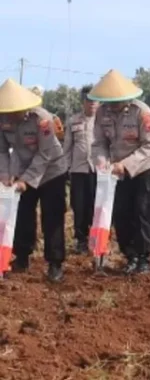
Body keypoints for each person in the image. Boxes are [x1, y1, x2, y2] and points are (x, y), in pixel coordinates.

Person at [90, 69, 150, 275]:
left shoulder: (142, 112)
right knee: (122, 213)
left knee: (143, 211)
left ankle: (144, 258)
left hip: (146, 168)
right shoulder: (101, 113)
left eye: (117, 102)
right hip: (117, 172)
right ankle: (130, 255)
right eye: (109, 102)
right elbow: (98, 142)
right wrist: (102, 161)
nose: (112, 106)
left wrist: (126, 164)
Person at [0, 79, 67, 282]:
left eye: (15, 111)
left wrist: (26, 180)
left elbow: (45, 153)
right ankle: (22, 256)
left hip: (51, 172)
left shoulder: (42, 119)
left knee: (52, 217)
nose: (12, 116)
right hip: (22, 170)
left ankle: (55, 263)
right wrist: (5, 174)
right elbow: (2, 150)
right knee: (21, 215)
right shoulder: (2, 119)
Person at [63, 85, 99, 255]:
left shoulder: (103, 120)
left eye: (94, 101)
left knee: (95, 205)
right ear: (83, 102)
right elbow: (67, 148)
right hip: (78, 170)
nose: (92, 104)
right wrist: (66, 169)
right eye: (88, 101)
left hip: (98, 170)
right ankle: (80, 239)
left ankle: (96, 238)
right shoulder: (73, 121)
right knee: (79, 206)